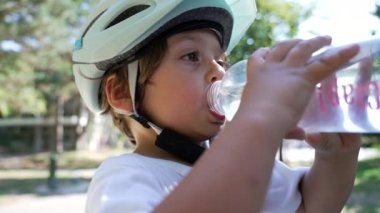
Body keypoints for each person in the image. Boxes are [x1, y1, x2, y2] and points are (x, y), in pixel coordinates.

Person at [72, 0, 361, 212]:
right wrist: (260, 119)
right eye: (191, 56)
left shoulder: (241, 160)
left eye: (221, 61)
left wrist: (335, 156)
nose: (220, 73)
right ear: (122, 92)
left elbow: (310, 206)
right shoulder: (127, 176)